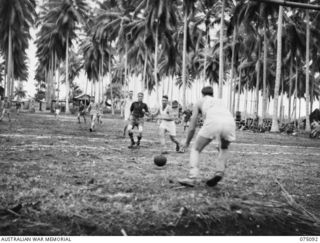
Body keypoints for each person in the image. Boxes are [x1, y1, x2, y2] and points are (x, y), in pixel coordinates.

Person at [178, 86, 236, 187]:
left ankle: (193, 176)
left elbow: (192, 125)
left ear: (202, 94)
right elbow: (222, 117)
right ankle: (219, 172)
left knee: (196, 149)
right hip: (230, 122)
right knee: (224, 147)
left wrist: (187, 142)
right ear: (213, 94)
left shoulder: (199, 101)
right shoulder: (220, 101)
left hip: (213, 122)